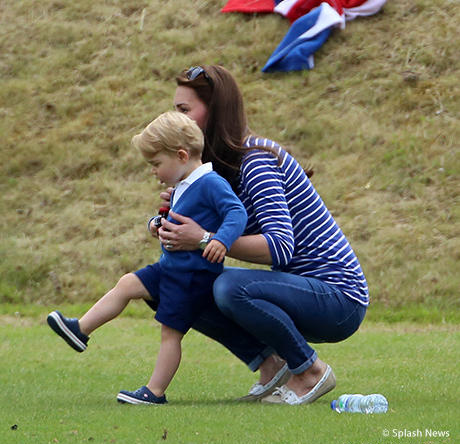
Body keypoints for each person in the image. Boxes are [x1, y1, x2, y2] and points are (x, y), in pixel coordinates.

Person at [155, 65, 369, 405]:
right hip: (296, 294)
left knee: (229, 287)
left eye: (184, 111)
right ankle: (272, 366)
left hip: (339, 299)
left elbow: (280, 248)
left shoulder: (255, 160)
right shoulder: (214, 175)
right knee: (166, 283)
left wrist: (202, 238)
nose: (176, 119)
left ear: (216, 111)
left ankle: (310, 371)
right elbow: (199, 243)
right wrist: (171, 224)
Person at [47, 111, 247, 405]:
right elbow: (171, 217)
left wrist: (219, 239)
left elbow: (236, 212)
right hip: (171, 268)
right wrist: (155, 222)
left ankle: (155, 392)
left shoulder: (210, 183)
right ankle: (80, 330)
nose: (153, 171)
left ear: (181, 156)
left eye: (156, 164)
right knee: (128, 283)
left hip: (192, 276)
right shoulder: (182, 185)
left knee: (170, 334)